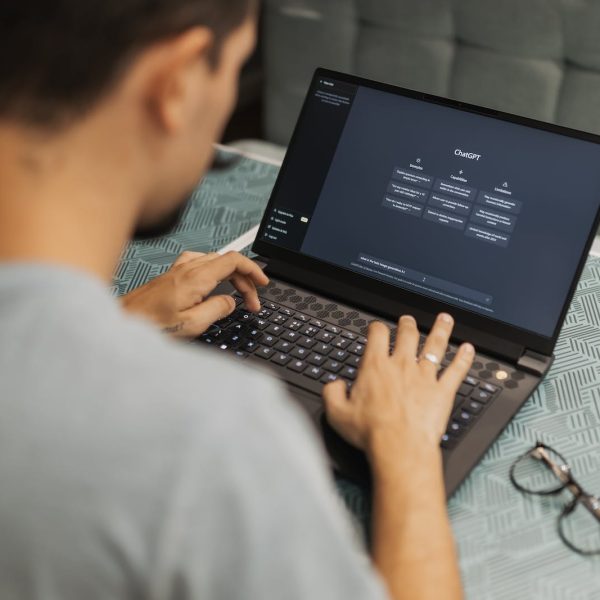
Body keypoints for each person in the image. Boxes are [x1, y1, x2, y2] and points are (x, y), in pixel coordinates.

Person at [0, 1, 475, 599]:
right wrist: (407, 453)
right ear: (176, 81)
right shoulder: (210, 436)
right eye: (235, 68)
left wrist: (121, 326)